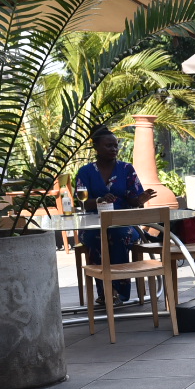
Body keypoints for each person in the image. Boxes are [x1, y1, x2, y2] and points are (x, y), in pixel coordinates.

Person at [76, 130, 155, 303]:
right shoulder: (85, 172)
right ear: (96, 147)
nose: (114, 149)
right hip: (93, 223)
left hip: (124, 224)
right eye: (108, 145)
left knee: (119, 235)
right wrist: (99, 201)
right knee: (95, 236)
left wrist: (140, 199)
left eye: (115, 145)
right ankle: (105, 291)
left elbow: (133, 200)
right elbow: (81, 202)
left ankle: (119, 292)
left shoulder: (126, 169)